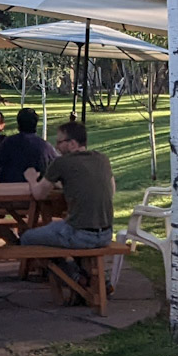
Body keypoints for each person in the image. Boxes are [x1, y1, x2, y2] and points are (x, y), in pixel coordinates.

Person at [24, 119, 119, 297]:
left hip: (80, 234)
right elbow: (111, 190)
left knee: (28, 238)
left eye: (60, 142)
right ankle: (96, 279)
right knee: (58, 229)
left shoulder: (62, 163)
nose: (56, 146)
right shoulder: (102, 159)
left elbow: (39, 194)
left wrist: (31, 178)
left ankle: (74, 277)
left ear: (73, 143)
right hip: (106, 233)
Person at [0, 107, 55, 183]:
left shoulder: (9, 142)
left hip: (11, 188)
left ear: (18, 124)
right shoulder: (45, 146)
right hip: (38, 189)